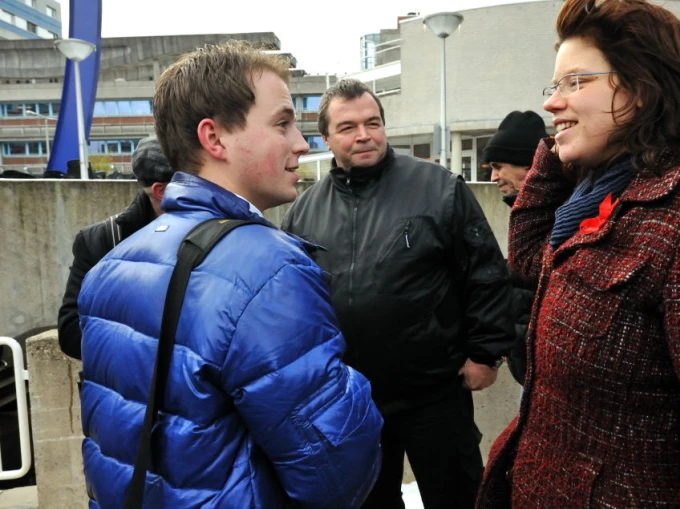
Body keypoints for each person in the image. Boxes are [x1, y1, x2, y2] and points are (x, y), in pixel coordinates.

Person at [476, 0, 680, 507]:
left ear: (643, 87)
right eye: (553, 86)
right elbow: (528, 259)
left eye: (575, 82)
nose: (552, 102)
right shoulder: (604, 197)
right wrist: (560, 145)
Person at [78, 41, 382, 508]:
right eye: (282, 122)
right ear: (214, 138)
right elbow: (334, 470)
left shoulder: (110, 266)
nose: (302, 142)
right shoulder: (269, 269)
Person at [282, 79, 514, 509]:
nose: (364, 134)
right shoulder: (304, 211)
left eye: (373, 123)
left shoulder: (439, 188)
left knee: (460, 498)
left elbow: (485, 273)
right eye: (348, 127)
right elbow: (295, 303)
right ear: (327, 139)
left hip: (435, 393)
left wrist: (485, 354)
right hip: (353, 402)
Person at [57, 136, 173, 360]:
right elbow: (71, 334)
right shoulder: (101, 240)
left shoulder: (221, 231)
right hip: (132, 389)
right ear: (161, 190)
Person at [483, 110, 547, 384]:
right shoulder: (529, 212)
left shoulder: (556, 214)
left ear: (527, 165)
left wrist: (509, 333)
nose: (493, 177)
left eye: (498, 166)